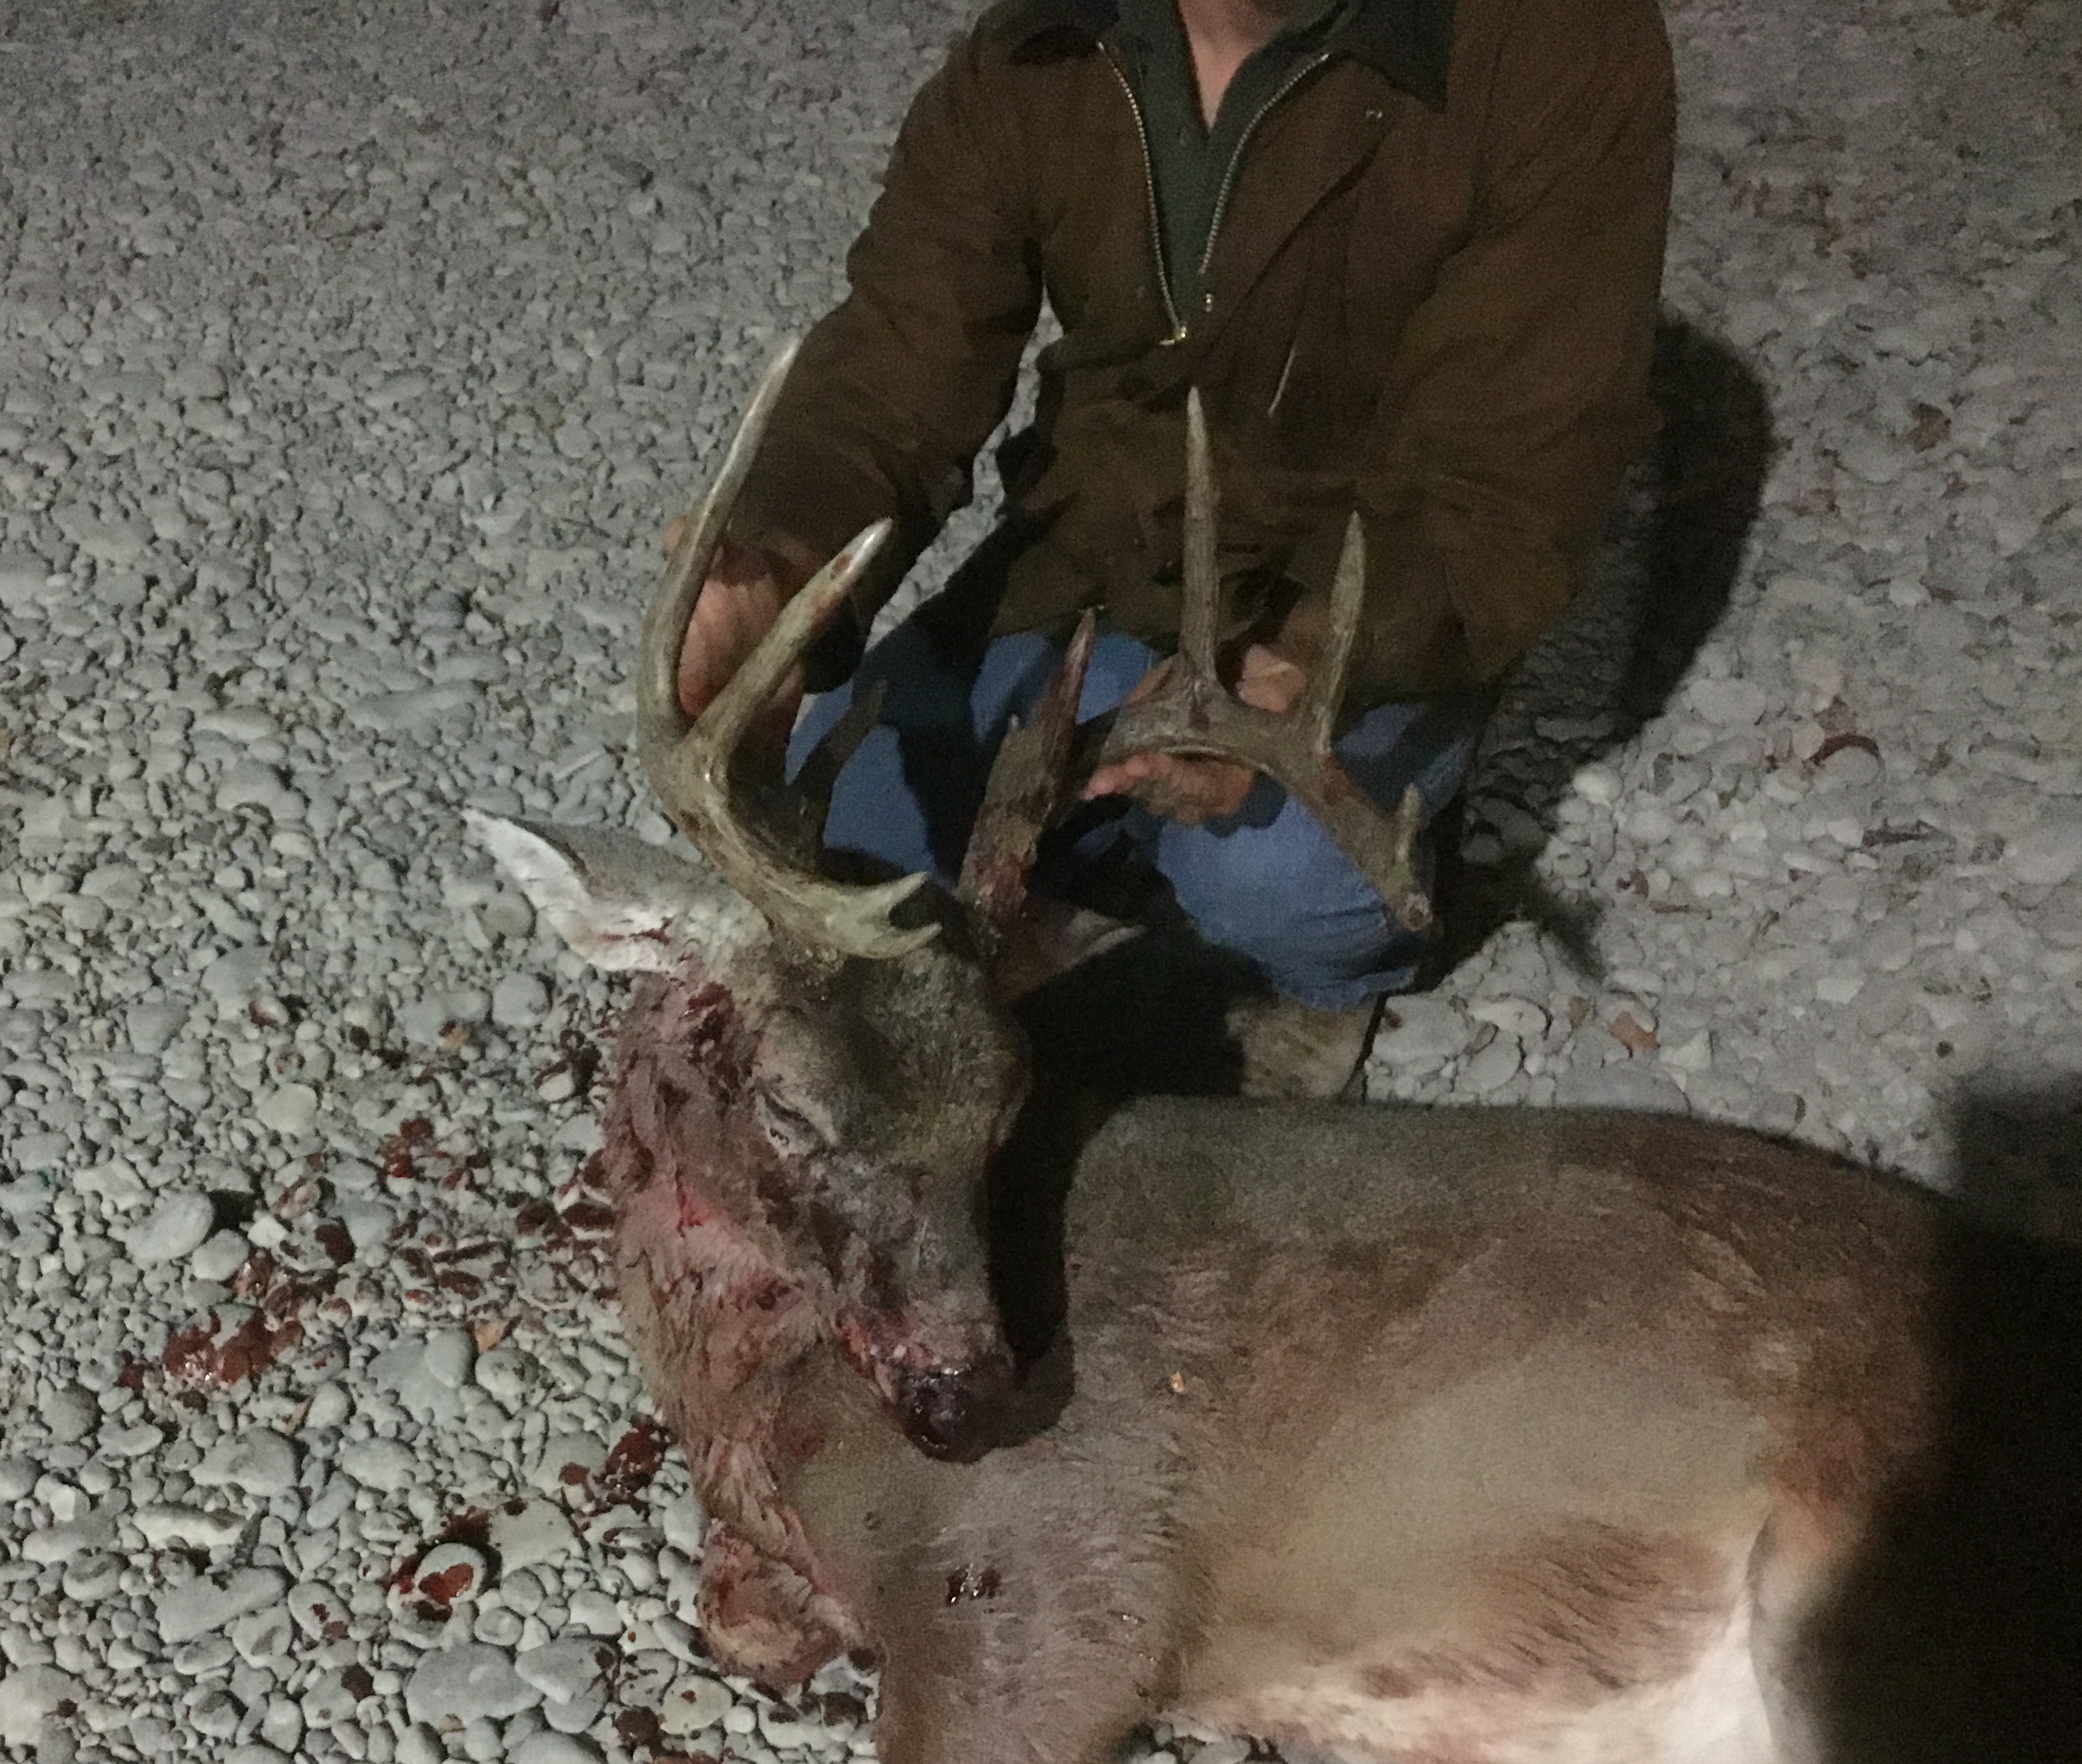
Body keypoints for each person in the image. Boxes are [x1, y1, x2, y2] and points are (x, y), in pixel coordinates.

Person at [675, 0, 1675, 1095]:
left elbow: (1502, 486)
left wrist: (1295, 670)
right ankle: (1088, 866)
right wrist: (771, 566)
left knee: (1278, 884)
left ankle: (1323, 975)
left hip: (1358, 596)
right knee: (848, 850)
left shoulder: (1549, 48)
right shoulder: (1050, 41)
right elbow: (890, 372)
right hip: (1092, 563)